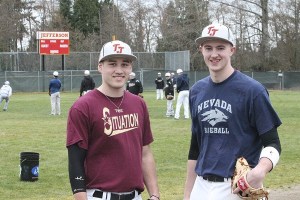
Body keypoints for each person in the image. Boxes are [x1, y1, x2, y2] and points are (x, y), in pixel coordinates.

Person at [183, 23, 282, 200]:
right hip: (201, 185)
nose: (214, 54)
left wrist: (259, 171)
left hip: (236, 188)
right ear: (201, 50)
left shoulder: (253, 91)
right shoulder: (196, 91)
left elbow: (273, 143)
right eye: (208, 48)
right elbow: (195, 148)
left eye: (220, 48)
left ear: (232, 50)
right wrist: (188, 194)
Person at [66, 40, 160, 200]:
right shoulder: (83, 106)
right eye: (112, 64)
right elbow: (76, 162)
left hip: (136, 196)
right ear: (100, 66)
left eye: (125, 64)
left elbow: (145, 153)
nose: (119, 70)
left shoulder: (139, 104)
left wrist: (155, 195)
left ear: (130, 68)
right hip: (98, 196)